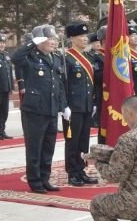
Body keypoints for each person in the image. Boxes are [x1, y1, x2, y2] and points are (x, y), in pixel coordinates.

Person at [12, 25, 67, 194]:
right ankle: (35, 181)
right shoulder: (30, 57)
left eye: (54, 39)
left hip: (51, 109)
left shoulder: (56, 58)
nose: (54, 42)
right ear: (40, 41)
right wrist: (32, 43)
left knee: (48, 148)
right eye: (50, 39)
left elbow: (59, 84)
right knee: (35, 148)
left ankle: (45, 179)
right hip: (34, 110)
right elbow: (15, 58)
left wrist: (63, 106)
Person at [62, 22, 99, 187]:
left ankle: (81, 170)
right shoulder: (66, 58)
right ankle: (72, 173)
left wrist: (93, 102)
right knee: (73, 141)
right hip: (73, 107)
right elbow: (63, 84)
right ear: (72, 38)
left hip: (86, 105)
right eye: (81, 36)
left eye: (85, 36)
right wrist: (64, 105)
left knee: (83, 141)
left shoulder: (88, 57)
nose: (85, 39)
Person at [86, 32, 105, 128]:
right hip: (95, 87)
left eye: (98, 42)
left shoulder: (104, 55)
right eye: (95, 42)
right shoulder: (91, 56)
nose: (97, 44)